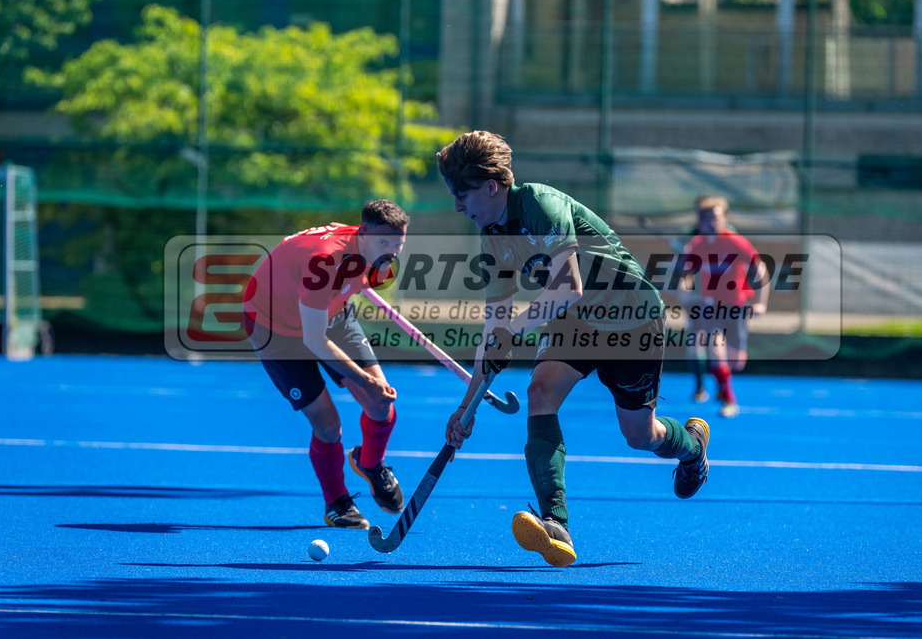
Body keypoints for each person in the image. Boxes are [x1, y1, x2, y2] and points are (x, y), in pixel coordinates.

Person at [436, 130, 710, 568]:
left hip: (631, 318)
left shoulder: (540, 205)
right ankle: (555, 523)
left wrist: (515, 331)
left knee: (639, 435)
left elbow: (567, 285)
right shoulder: (492, 236)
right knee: (540, 391)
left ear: (490, 187)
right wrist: (465, 407)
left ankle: (692, 448)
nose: (457, 206)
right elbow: (495, 324)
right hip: (576, 318)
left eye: (461, 194)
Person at [242, 199, 409, 530]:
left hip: (330, 313)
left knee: (380, 403)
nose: (392, 250)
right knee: (328, 425)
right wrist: (365, 379)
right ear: (364, 233)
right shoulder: (326, 261)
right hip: (275, 328)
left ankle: (370, 463)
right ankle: (337, 503)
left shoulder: (374, 250)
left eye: (398, 243)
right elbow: (314, 341)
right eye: (384, 243)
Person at [678, 196, 768, 418]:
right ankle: (729, 400)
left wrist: (761, 303)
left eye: (716, 218)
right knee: (716, 350)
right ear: (700, 221)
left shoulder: (735, 242)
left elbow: (760, 270)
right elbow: (686, 274)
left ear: (725, 219)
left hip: (736, 306)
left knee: (736, 362)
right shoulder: (696, 245)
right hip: (711, 307)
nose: (712, 222)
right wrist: (684, 291)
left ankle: (722, 382)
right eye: (707, 218)